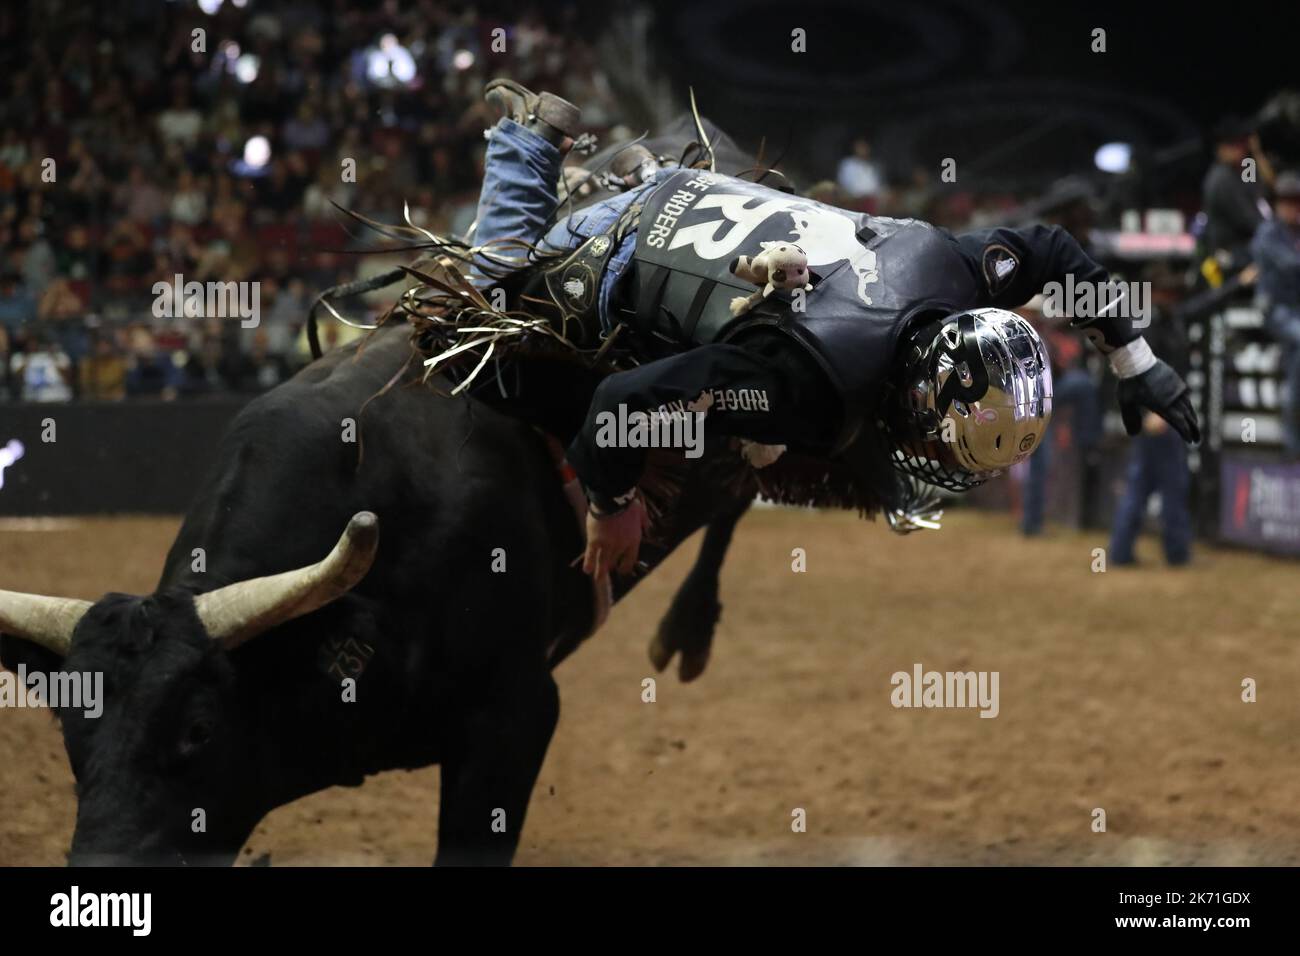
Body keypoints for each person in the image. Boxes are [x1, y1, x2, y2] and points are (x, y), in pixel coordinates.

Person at [451, 80, 1200, 582]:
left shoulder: (955, 269)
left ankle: (629, 179)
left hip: (700, 193)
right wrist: (611, 506)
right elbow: (623, 403)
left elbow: (1049, 249)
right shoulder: (800, 391)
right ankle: (524, 142)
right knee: (486, 301)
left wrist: (1136, 361)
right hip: (617, 244)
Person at [1108, 266, 1194, 566]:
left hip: (1157, 415)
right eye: (1166, 291)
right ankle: (1176, 552)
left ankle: (1121, 551)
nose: (1171, 296)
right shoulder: (1151, 325)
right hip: (1161, 416)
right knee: (1171, 484)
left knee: (1141, 484)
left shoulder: (1160, 320)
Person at [1250, 170, 1300, 457]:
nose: (1294, 207)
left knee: (1297, 356)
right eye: (1288, 201)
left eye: (1297, 201)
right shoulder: (1268, 234)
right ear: (1278, 204)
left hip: (1297, 310)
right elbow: (1291, 265)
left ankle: (1293, 438)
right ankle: (1292, 441)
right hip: (1275, 311)